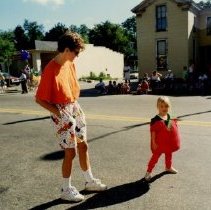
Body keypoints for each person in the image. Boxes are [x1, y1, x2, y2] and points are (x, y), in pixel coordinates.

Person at [35, 31, 107, 202]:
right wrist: (60, 114)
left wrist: (74, 110)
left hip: (74, 106)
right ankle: (65, 189)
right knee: (70, 152)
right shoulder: (50, 69)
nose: (77, 55)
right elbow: (39, 99)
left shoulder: (70, 64)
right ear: (66, 50)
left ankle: (89, 181)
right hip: (60, 110)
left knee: (84, 146)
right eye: (76, 52)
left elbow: (72, 90)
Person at [144, 96, 181, 181]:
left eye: (166, 106)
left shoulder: (168, 116)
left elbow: (167, 128)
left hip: (168, 143)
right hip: (159, 144)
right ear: (158, 107)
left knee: (169, 155)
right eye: (162, 106)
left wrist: (173, 123)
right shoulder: (155, 119)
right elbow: (153, 132)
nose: (164, 108)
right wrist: (153, 143)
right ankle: (148, 172)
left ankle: (168, 167)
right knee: (155, 158)